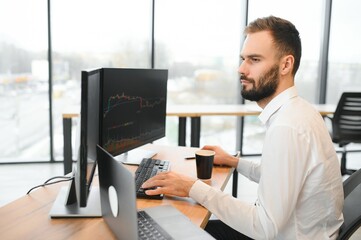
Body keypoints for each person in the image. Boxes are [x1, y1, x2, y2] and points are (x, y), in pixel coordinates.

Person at [142, 16, 344, 239]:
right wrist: (234, 162)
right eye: (243, 59)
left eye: (254, 60)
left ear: (286, 64)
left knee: (176, 228)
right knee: (187, 223)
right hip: (305, 232)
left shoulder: (288, 127)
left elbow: (263, 228)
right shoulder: (299, 111)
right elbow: (277, 176)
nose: (241, 69)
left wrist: (192, 187)